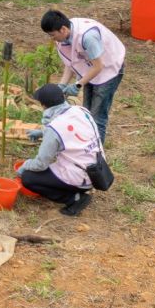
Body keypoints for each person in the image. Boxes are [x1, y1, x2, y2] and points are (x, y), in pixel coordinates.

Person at [40, 9, 125, 144]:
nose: (52, 38)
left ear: (63, 29)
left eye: (52, 35)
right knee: (86, 114)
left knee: (97, 117)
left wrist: (78, 84)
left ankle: (96, 156)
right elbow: (71, 62)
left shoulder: (87, 36)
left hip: (109, 68)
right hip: (91, 68)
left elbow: (99, 66)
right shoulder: (63, 37)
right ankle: (85, 145)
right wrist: (62, 84)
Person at [16, 84, 100, 217]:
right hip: (97, 171)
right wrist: (42, 132)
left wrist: (24, 166)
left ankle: (74, 199)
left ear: (43, 106)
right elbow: (69, 130)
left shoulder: (54, 128)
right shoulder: (80, 111)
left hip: (79, 177)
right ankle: (76, 190)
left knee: (29, 178)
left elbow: (40, 164)